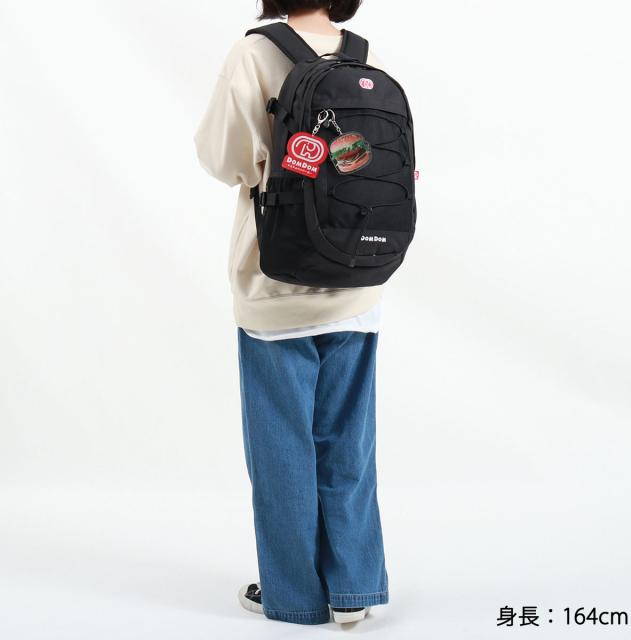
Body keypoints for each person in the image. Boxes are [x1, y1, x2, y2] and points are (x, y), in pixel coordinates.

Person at [194, 0, 389, 626]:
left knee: (282, 451)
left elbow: (223, 158)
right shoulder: (363, 58)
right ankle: (353, 592)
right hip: (358, 283)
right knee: (348, 447)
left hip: (276, 285)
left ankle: (295, 596)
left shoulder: (255, 53)